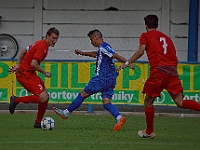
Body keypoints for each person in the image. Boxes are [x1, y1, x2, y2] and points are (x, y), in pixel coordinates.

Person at [117, 14, 200, 139]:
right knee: (180, 102)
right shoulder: (167, 38)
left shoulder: (145, 35)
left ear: (146, 26)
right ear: (157, 24)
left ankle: (149, 131)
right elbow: (173, 56)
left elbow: (141, 51)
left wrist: (127, 62)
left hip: (159, 72)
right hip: (172, 72)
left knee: (148, 101)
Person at [53, 29, 133, 131]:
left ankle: (66, 113)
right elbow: (96, 54)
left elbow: (115, 55)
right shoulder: (104, 48)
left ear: (96, 37)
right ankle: (119, 118)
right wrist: (82, 53)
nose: (91, 42)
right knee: (106, 102)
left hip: (102, 78)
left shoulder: (104, 47)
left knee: (82, 94)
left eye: (91, 40)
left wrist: (128, 63)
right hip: (111, 79)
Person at [8, 27, 59, 128]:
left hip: (28, 73)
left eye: (56, 39)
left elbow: (23, 51)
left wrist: (19, 64)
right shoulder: (42, 47)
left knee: (45, 97)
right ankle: (16, 100)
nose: (55, 41)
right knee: (43, 97)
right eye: (53, 38)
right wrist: (44, 72)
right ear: (47, 36)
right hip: (25, 74)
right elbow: (34, 64)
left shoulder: (39, 43)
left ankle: (38, 122)